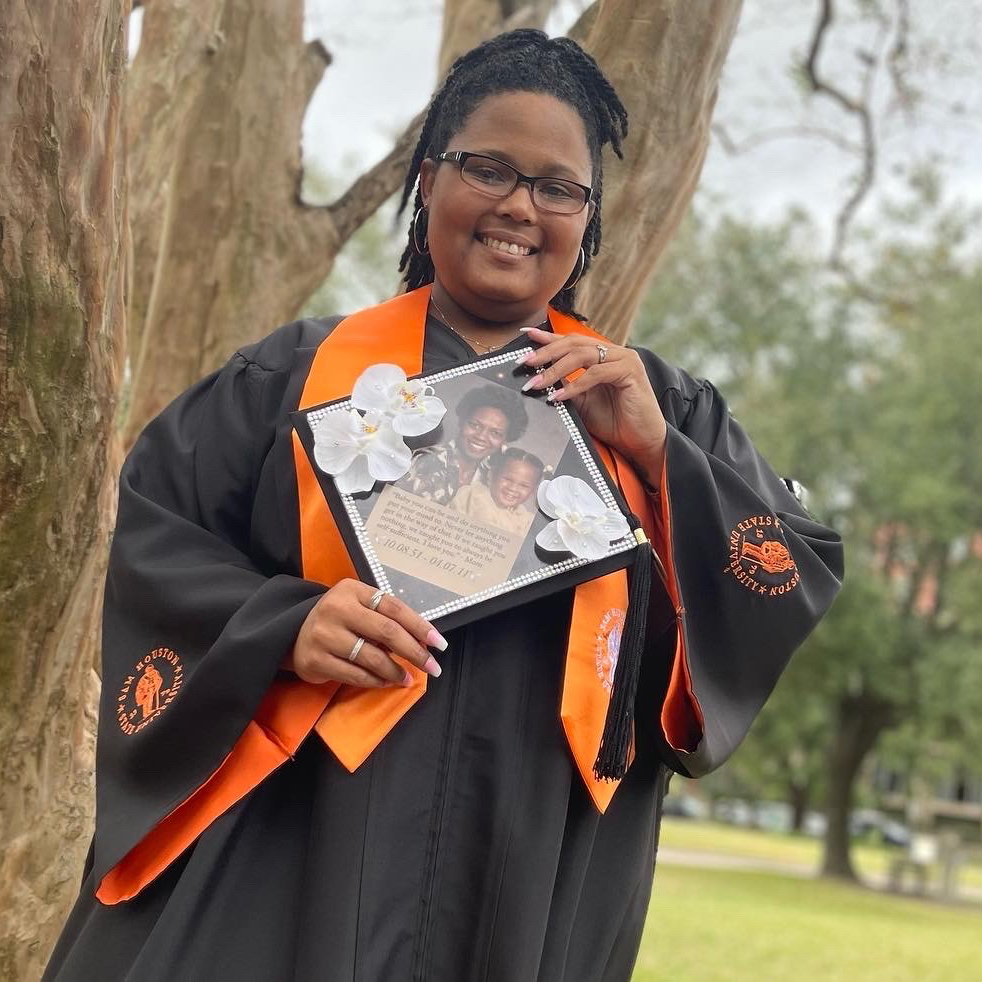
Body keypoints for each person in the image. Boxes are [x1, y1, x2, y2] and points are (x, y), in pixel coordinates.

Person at [44, 29, 843, 982]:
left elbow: (787, 570)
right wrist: (282, 625)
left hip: (532, 864)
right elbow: (156, 537)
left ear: (588, 219)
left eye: (559, 187)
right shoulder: (289, 381)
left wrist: (663, 460)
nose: (520, 206)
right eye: (489, 169)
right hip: (297, 847)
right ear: (429, 182)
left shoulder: (655, 406)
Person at [399, 383, 528, 503]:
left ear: (505, 439)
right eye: (475, 425)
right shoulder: (424, 459)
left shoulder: (491, 478)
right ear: (462, 421)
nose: (481, 437)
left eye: (495, 433)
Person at [450, 447, 546, 536]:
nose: (513, 488)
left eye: (524, 485)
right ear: (492, 474)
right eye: (508, 479)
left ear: (534, 490)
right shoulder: (473, 496)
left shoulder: (526, 519)